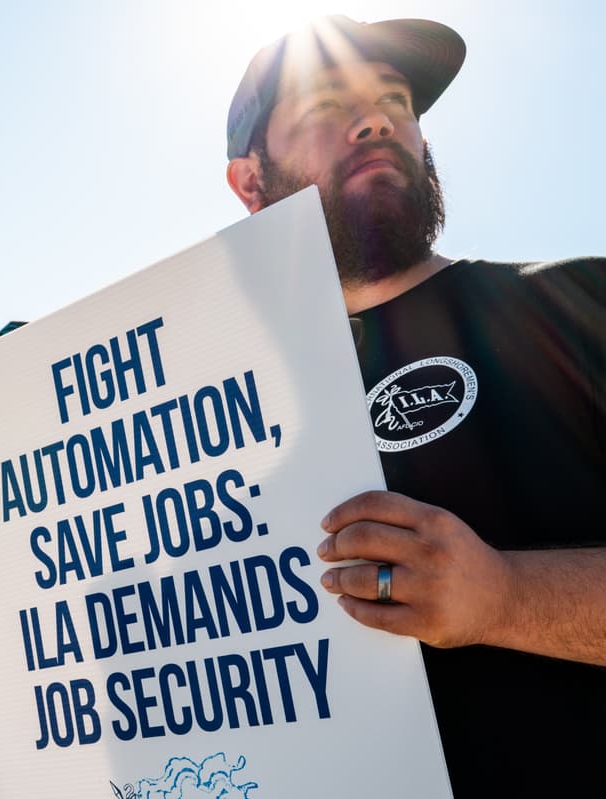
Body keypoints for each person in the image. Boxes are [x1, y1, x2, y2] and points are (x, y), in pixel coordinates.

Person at [221, 14, 606, 797]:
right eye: (328, 103)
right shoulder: (239, 423)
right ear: (251, 182)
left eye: (396, 98)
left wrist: (506, 595)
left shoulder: (581, 301)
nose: (378, 117)